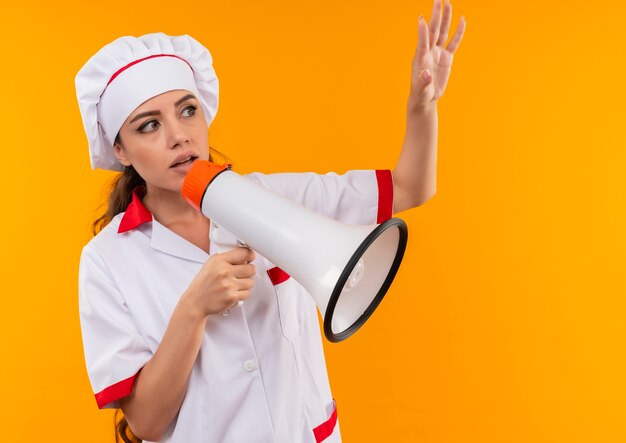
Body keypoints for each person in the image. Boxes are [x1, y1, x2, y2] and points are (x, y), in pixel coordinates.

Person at [75, 2, 465, 442]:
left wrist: (421, 108)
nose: (179, 135)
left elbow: (410, 187)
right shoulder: (106, 261)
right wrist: (193, 309)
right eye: (149, 125)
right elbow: (145, 422)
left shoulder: (272, 196)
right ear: (121, 150)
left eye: (187, 110)